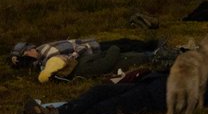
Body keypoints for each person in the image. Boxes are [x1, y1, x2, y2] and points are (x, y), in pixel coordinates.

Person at [16, 52, 208, 114]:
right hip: (150, 83)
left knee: (108, 106)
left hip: (156, 98)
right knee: (100, 90)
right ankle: (56, 113)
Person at [10, 36, 161, 82]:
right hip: (92, 53)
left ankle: (150, 44)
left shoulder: (41, 48)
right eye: (27, 51)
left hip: (92, 44)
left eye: (29, 47)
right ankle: (152, 49)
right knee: (127, 48)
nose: (31, 49)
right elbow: (69, 58)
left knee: (125, 41)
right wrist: (17, 59)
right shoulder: (46, 60)